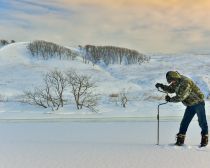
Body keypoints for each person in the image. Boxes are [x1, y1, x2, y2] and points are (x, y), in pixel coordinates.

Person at [155, 71, 208, 147]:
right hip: (190, 105)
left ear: (175, 78)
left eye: (172, 80)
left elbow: (181, 97)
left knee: (202, 121)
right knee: (184, 123)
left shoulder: (186, 82)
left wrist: (170, 99)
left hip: (198, 103)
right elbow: (171, 89)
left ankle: (204, 139)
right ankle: (180, 140)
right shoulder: (176, 81)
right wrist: (162, 86)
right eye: (170, 81)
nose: (171, 82)